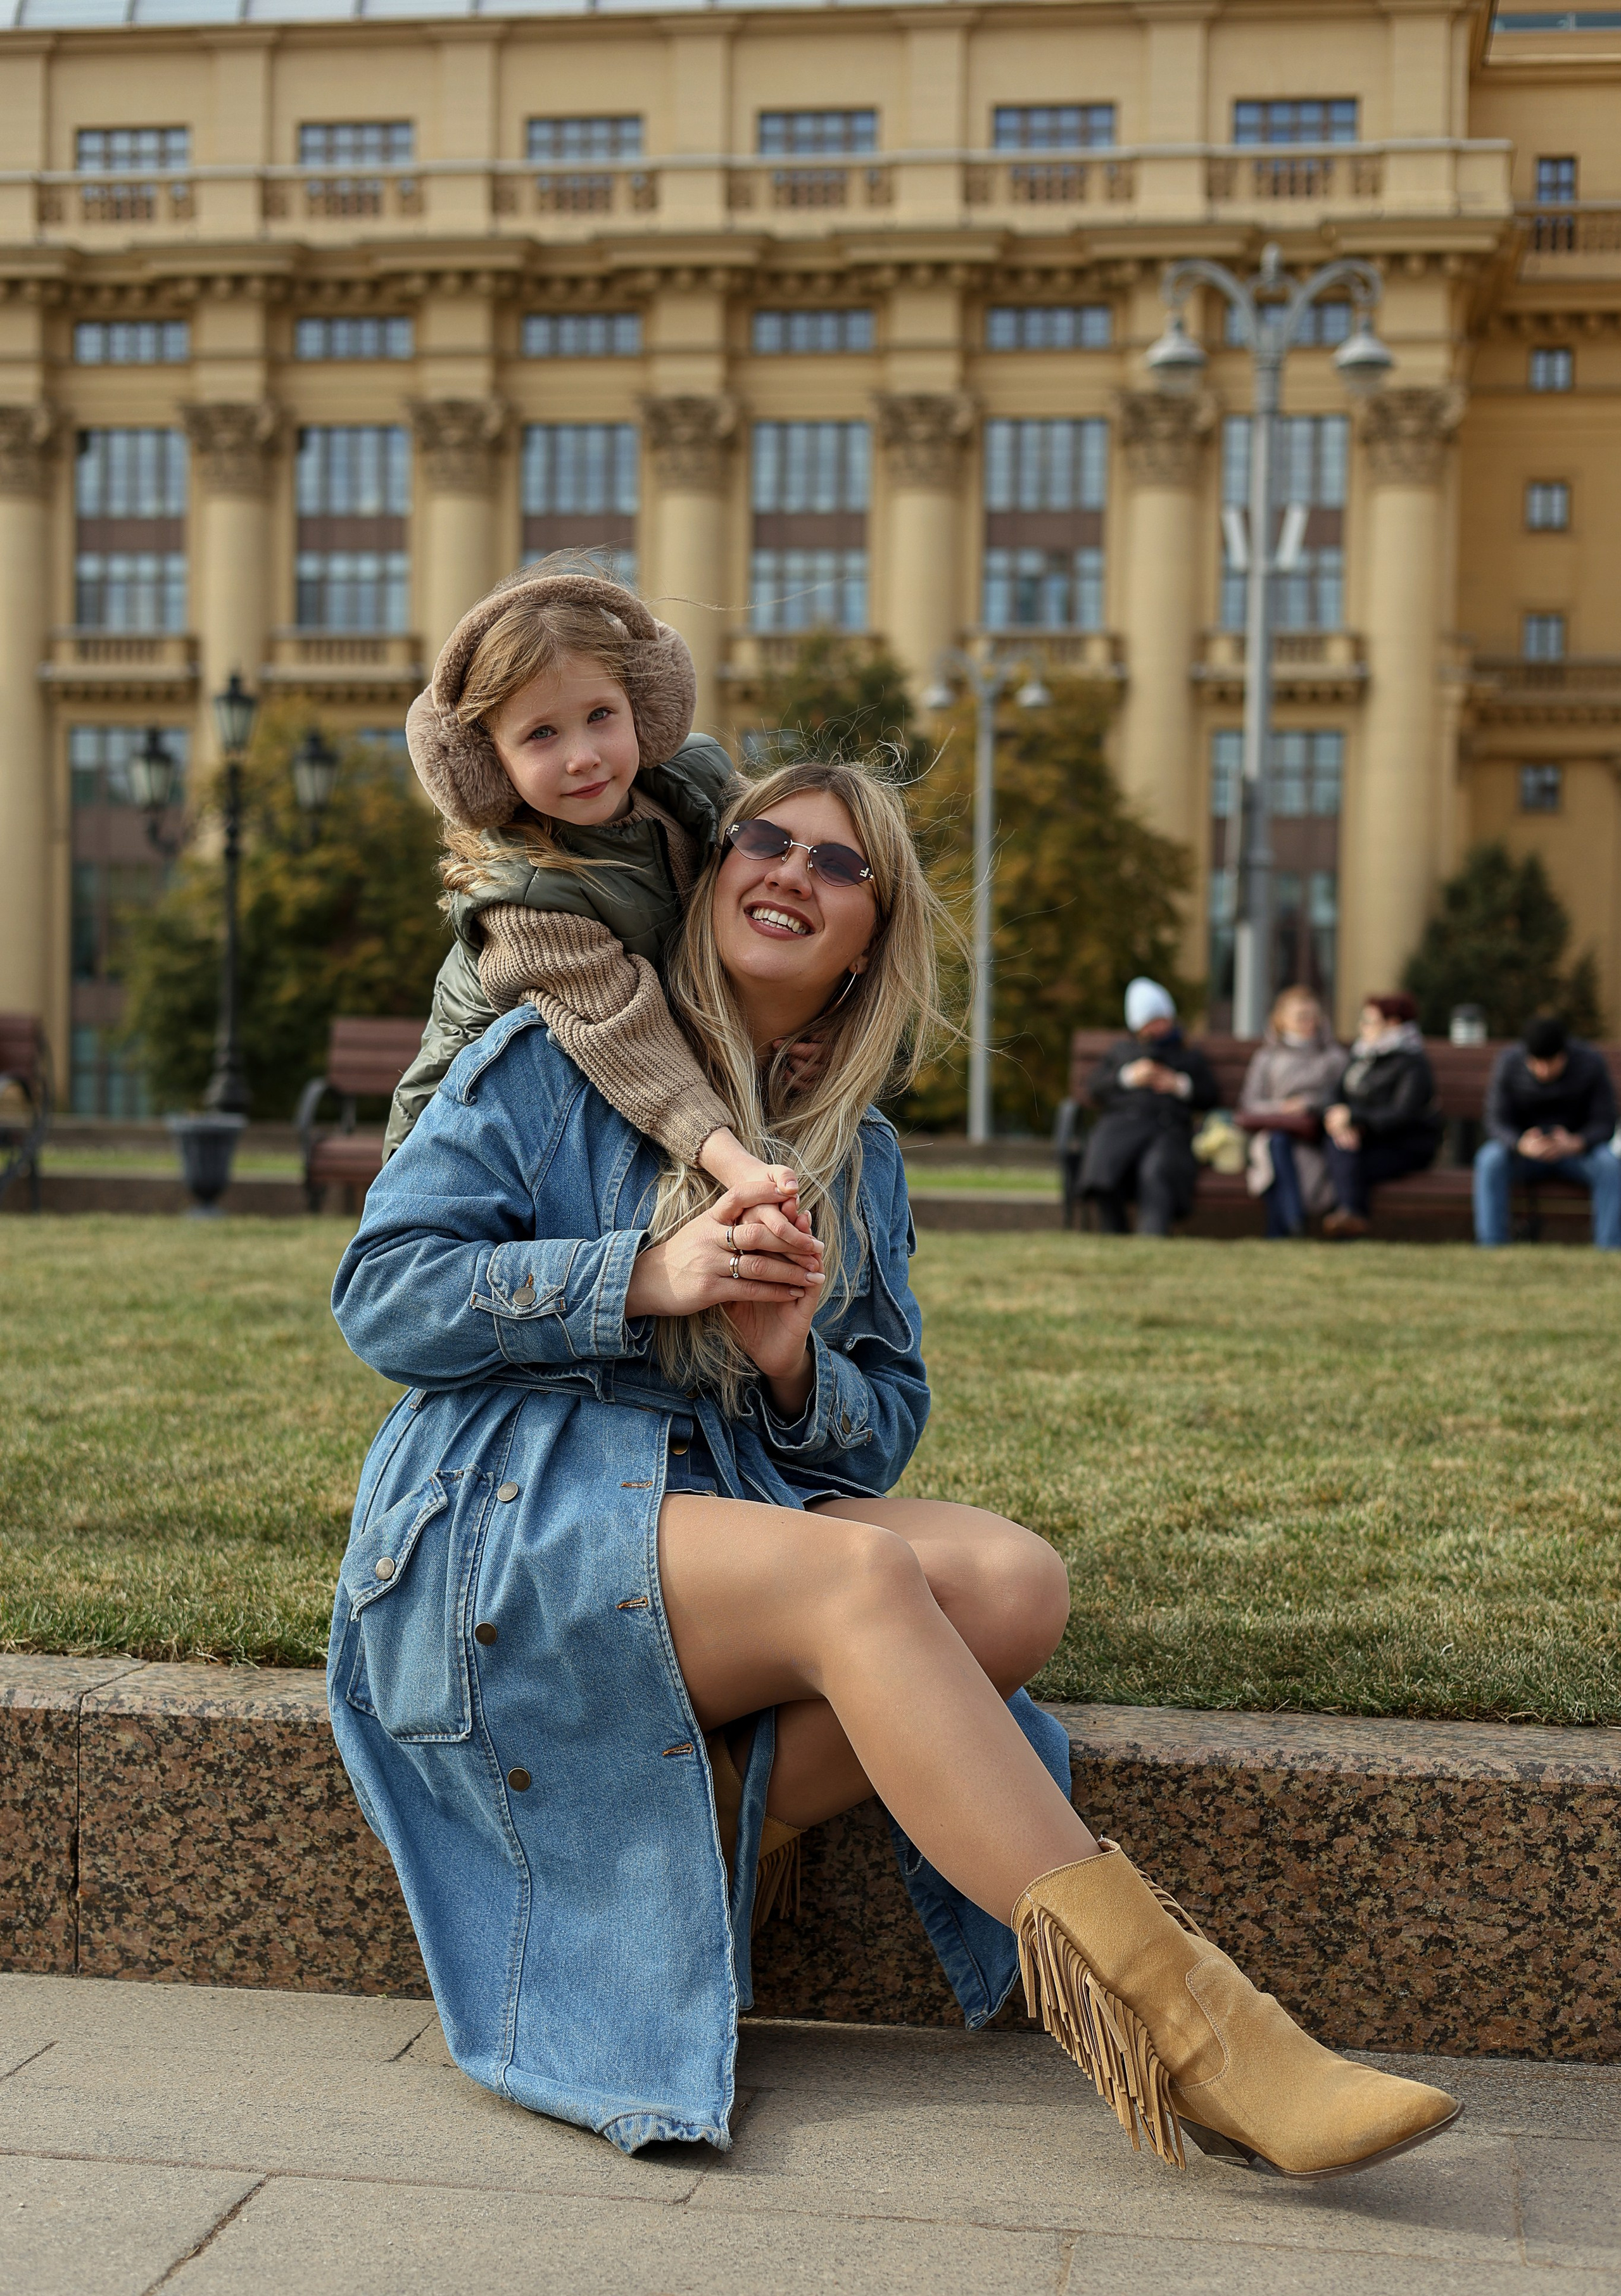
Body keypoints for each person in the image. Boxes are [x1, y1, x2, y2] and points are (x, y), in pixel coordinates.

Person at [328, 761, 1457, 2183]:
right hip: (504, 1516)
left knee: (1007, 1582)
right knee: (865, 1578)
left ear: (874, 933)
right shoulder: (548, 1059)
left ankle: (724, 1833)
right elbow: (381, 1294)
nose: (790, 871)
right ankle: (1198, 2038)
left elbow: (881, 1420)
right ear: (714, 876)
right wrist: (645, 1275)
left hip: (709, 1515)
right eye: (763, 839)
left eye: (838, 865)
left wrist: (792, 1363)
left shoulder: (855, 1150)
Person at [385, 560, 804, 1210]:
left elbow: (775, 901)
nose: (582, 755)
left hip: (593, 1119)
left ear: (645, 707)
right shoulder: (524, 895)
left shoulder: (697, 784)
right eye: (542, 734)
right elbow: (626, 1038)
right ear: (485, 765)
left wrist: (805, 1031)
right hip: (471, 1155)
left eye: (601, 714)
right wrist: (742, 1168)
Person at [1078, 979, 1220, 1237]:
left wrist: (1179, 1085)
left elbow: (1211, 1096)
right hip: (1122, 1127)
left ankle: (1152, 1239)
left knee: (1157, 1170)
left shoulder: (1188, 1055)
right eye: (1150, 1020)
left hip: (1168, 1129)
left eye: (1161, 1018)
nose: (1158, 1026)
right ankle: (1113, 1238)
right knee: (1103, 1163)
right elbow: (1094, 1089)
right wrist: (1128, 1077)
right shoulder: (1123, 1052)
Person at [1473, 1015, 1620, 1249]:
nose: (1543, 1070)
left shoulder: (1590, 1062)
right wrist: (1521, 1143)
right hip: (1524, 1153)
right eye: (1536, 1062)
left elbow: (1605, 1122)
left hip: (1576, 1153)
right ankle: (1492, 1246)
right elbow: (1495, 1120)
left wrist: (1576, 1142)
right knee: (1490, 1159)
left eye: (1551, 1062)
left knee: (1610, 1164)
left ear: (1565, 1053)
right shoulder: (1509, 1062)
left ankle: (1611, 1247)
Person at [1320, 992, 1441, 1239]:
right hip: (1365, 1139)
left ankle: (1350, 1218)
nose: (1361, 1027)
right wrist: (1340, 1119)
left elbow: (1401, 1115)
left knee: (1349, 1162)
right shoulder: (1363, 1054)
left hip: (1406, 1144)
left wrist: (1354, 1118)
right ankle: (1352, 1218)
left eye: (1369, 1021)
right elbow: (1335, 1093)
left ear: (1393, 1023)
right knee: (1341, 1147)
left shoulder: (1413, 1063)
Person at [1237, 988, 1347, 1239]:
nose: (1308, 1023)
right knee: (1277, 1144)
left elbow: (1341, 1099)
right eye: (1300, 1017)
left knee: (1284, 1154)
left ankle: (1281, 1231)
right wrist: (1281, 1109)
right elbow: (1249, 1103)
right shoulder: (1267, 1057)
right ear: (1282, 1020)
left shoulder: (1334, 1057)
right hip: (1273, 1132)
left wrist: (1308, 1104)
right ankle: (1293, 1222)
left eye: (1312, 1016)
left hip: (1315, 1135)